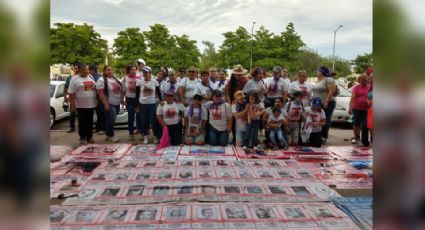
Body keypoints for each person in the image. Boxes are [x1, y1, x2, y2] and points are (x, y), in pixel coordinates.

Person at [68, 64, 97, 144]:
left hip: (91, 104)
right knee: (82, 121)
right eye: (85, 70)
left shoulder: (90, 76)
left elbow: (94, 88)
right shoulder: (74, 79)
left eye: (88, 70)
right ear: (80, 70)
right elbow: (71, 93)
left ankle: (89, 136)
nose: (87, 71)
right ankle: (82, 137)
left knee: (90, 121)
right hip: (81, 105)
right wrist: (73, 104)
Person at [96, 65, 123, 143]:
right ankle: (112, 135)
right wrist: (105, 103)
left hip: (117, 103)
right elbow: (100, 93)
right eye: (108, 70)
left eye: (111, 70)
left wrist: (121, 99)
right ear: (104, 71)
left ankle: (108, 134)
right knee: (112, 120)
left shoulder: (115, 79)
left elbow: (120, 90)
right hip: (109, 103)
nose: (110, 71)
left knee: (109, 120)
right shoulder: (101, 80)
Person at [136, 66, 163, 144]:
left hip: (152, 104)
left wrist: (161, 100)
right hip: (142, 104)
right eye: (143, 72)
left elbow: (159, 92)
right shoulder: (139, 81)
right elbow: (137, 94)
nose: (144, 73)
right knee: (144, 121)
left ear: (150, 73)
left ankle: (155, 136)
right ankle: (145, 136)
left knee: (153, 121)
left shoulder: (155, 81)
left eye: (146, 72)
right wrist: (137, 105)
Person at [312, 66, 336, 143]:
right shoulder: (319, 80)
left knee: (325, 119)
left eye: (318, 71)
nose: (317, 72)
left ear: (322, 72)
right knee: (318, 118)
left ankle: (324, 136)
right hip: (317, 103)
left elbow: (331, 91)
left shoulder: (328, 79)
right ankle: (318, 135)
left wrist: (326, 101)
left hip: (327, 102)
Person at [348, 74, 372, 146]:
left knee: (365, 125)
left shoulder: (370, 87)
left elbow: (372, 96)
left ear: (366, 80)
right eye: (361, 81)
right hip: (357, 108)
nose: (363, 82)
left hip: (367, 108)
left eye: (364, 81)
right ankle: (356, 137)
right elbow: (352, 98)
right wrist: (350, 107)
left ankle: (365, 140)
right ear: (358, 81)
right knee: (356, 123)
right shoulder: (356, 87)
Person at [122, 65, 141, 140]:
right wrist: (122, 100)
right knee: (131, 117)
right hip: (129, 100)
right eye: (132, 70)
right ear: (128, 71)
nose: (134, 71)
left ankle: (140, 130)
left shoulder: (139, 78)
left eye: (135, 70)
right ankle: (131, 133)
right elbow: (123, 91)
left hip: (138, 100)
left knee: (139, 115)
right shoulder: (124, 79)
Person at [64, 62, 80, 133]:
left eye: (77, 68)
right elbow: (65, 87)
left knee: (81, 114)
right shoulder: (70, 77)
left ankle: (81, 128)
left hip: (81, 99)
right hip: (72, 98)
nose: (76, 70)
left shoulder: (83, 77)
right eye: (75, 68)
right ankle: (72, 127)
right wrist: (65, 97)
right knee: (72, 113)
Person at [90, 65, 105, 134]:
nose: (89, 72)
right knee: (99, 114)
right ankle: (98, 128)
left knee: (101, 113)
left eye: (89, 70)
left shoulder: (97, 77)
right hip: (96, 97)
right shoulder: (93, 77)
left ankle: (102, 128)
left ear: (93, 70)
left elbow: (97, 89)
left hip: (99, 97)